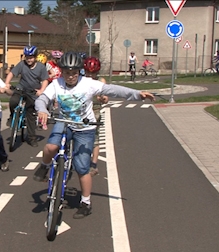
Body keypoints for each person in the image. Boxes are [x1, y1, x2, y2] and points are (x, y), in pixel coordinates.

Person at [33, 52, 155, 219]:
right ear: (62, 72)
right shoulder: (56, 84)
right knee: (51, 147)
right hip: (63, 122)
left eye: (74, 73)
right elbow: (43, 98)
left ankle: (86, 202)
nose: (70, 77)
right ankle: (44, 166)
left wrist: (137, 95)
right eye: (67, 73)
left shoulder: (88, 84)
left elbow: (114, 90)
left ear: (79, 72)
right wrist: (42, 109)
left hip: (85, 127)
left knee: (82, 167)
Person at [5, 45, 49, 147]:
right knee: (13, 101)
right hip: (21, 88)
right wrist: (7, 83)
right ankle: (12, 117)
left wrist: (41, 90)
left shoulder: (41, 67)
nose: (29, 59)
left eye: (31, 57)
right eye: (27, 57)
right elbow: (12, 73)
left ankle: (32, 138)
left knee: (31, 113)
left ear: (35, 57)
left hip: (33, 92)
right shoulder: (22, 64)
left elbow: (45, 80)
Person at [83, 56, 108, 177]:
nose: (90, 75)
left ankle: (93, 164)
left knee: (95, 138)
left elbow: (106, 99)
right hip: (82, 110)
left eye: (93, 73)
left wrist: (101, 98)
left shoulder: (101, 81)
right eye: (88, 73)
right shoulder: (81, 80)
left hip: (95, 111)